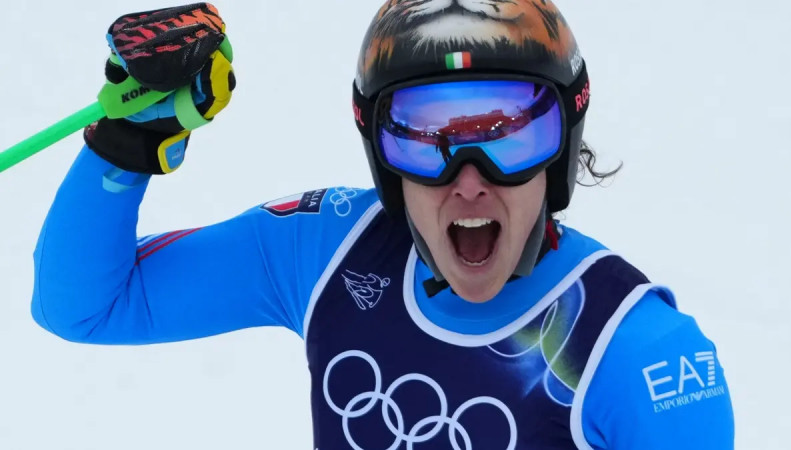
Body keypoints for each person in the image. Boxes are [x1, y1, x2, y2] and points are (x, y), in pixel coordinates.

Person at [31, 1, 735, 448]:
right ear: (381, 157)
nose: (468, 180)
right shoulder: (329, 250)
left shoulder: (635, 352)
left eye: (509, 135)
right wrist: (126, 143)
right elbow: (87, 305)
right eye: (425, 139)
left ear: (560, 150)